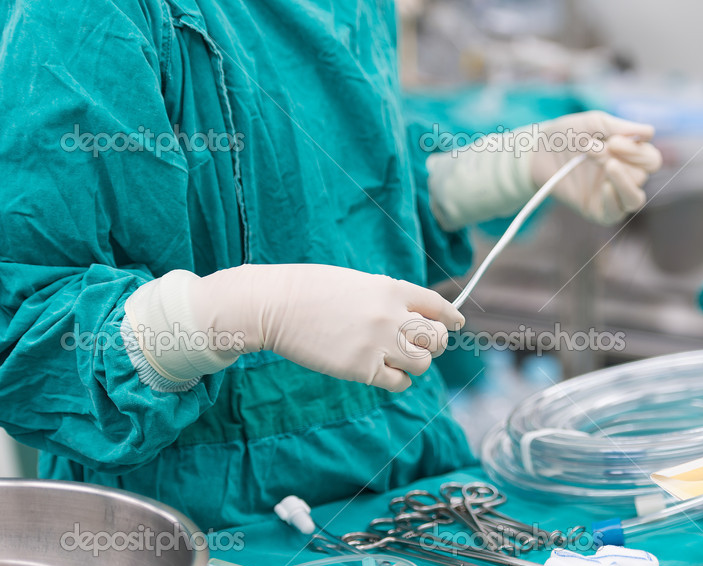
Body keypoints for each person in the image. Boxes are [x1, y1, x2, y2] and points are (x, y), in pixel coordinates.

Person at [0, 0, 662, 529]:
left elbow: (339, 195)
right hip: (191, 528)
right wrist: (247, 311)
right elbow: (33, 332)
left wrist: (503, 170)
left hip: (406, 474)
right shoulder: (79, 15)